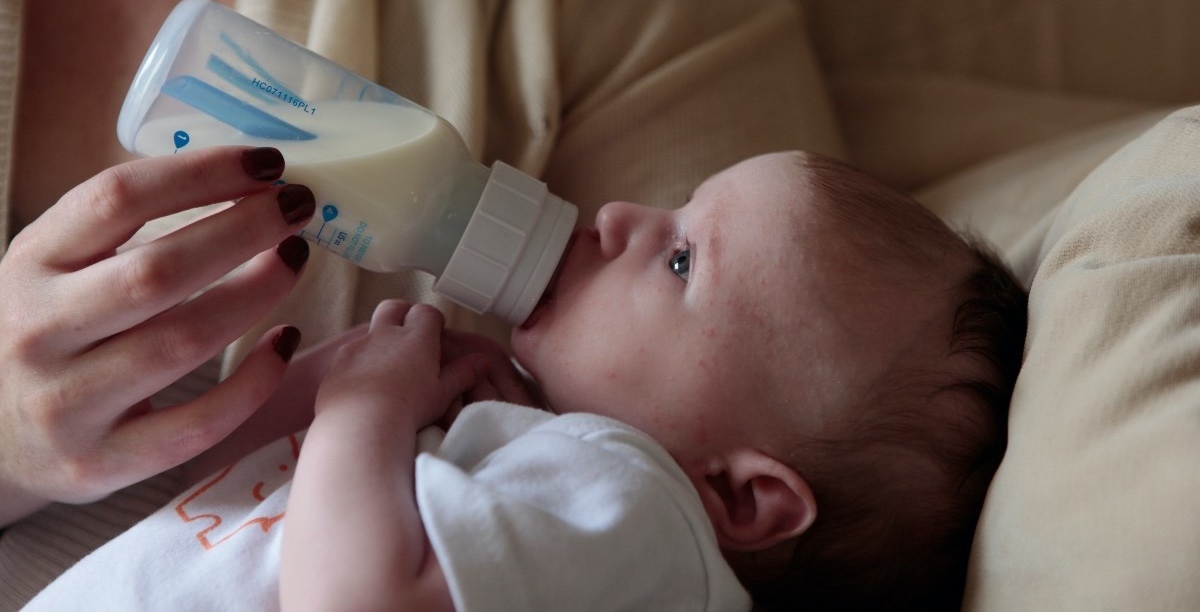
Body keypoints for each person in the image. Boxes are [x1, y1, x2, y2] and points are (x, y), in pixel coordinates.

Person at [22, 151, 1029, 611]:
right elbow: (245, 503)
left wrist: (364, 411)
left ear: (737, 493)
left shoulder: (638, 512)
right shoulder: (550, 487)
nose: (624, 214)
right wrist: (346, 393)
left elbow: (349, 599)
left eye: (681, 260)